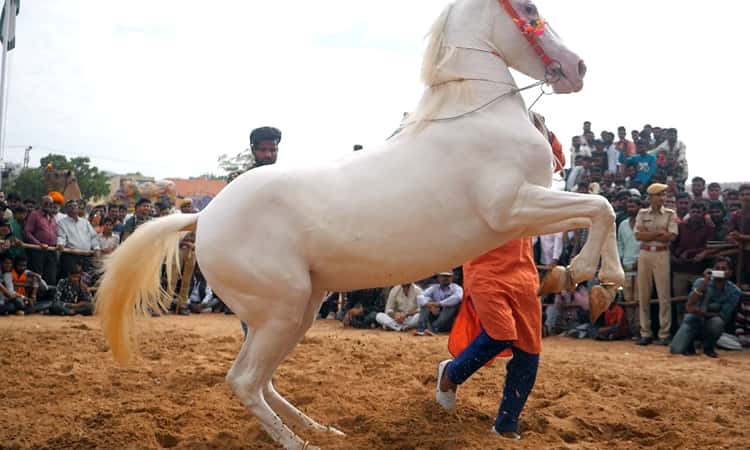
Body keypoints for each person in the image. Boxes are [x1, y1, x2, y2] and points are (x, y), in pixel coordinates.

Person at [635, 183, 678, 346]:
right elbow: (638, 236)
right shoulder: (642, 213)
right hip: (645, 254)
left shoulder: (670, 214)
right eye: (659, 195)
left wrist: (650, 234)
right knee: (643, 295)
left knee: (664, 296)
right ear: (651, 197)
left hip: (661, 254)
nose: (663, 198)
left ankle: (664, 334)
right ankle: (645, 333)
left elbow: (671, 236)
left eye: (664, 195)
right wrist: (659, 233)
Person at [670, 259, 741, 358]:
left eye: (724, 269)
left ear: (730, 273)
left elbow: (724, 316)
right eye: (717, 268)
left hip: (709, 323)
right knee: (675, 350)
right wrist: (705, 282)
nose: (720, 271)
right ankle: (689, 343)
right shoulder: (701, 281)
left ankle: (709, 347)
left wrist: (701, 312)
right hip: (693, 320)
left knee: (717, 322)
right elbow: (689, 306)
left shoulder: (735, 291)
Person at [670, 202, 713, 297]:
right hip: (680, 269)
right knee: (678, 298)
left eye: (698, 212)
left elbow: (709, 247)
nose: (695, 214)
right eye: (693, 211)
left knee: (698, 298)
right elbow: (673, 243)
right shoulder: (681, 226)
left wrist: (689, 252)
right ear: (689, 212)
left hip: (698, 270)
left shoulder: (709, 228)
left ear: (703, 213)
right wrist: (672, 256)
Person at [56, 199, 101, 279]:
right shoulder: (61, 223)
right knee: (70, 281)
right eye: (70, 206)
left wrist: (96, 248)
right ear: (66, 210)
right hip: (71, 257)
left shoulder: (85, 222)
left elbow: (93, 237)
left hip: (85, 257)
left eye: (75, 205)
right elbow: (61, 236)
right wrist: (60, 244)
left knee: (85, 281)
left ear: (78, 208)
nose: (73, 207)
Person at [23, 195, 59, 285]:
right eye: (45, 203)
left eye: (50, 203)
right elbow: (27, 232)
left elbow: (55, 233)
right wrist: (39, 244)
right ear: (41, 204)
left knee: (51, 274)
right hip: (38, 249)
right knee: (38, 275)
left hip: (51, 249)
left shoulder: (52, 217)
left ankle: (49, 296)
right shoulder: (34, 214)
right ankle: (38, 296)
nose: (48, 205)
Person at [617, 197, 641, 304]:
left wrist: (640, 260)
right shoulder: (623, 224)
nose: (630, 209)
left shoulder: (644, 224)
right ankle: (630, 321)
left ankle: (639, 321)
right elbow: (620, 243)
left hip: (641, 265)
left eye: (633, 206)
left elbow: (647, 243)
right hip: (626, 264)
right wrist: (621, 259)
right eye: (629, 207)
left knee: (639, 298)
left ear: (639, 208)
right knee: (627, 298)